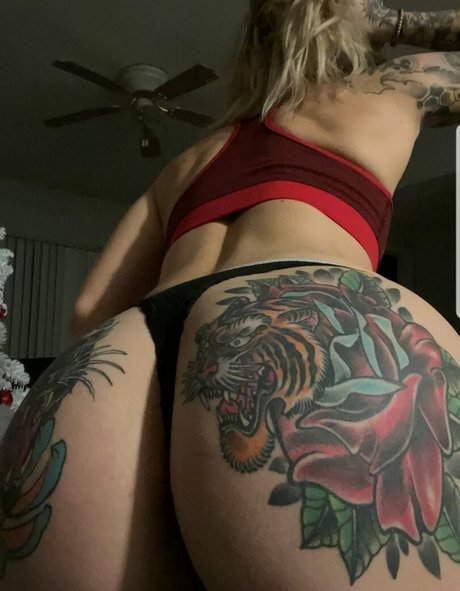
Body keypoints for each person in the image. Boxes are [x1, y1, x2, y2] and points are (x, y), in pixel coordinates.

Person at [2, 1, 460, 589]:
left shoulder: (188, 161)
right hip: (299, 310)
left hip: (114, 373)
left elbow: (88, 311)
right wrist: (391, 21)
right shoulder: (389, 89)